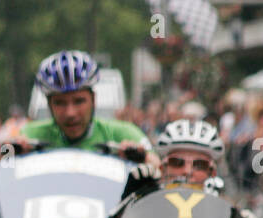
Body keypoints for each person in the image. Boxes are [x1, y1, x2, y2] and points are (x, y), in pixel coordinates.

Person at [20, 50, 160, 181]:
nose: (70, 113)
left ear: (93, 100)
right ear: (49, 104)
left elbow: (161, 169)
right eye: (60, 103)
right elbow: (2, 166)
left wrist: (143, 157)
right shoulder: (30, 134)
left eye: (79, 101)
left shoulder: (124, 133)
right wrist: (9, 151)